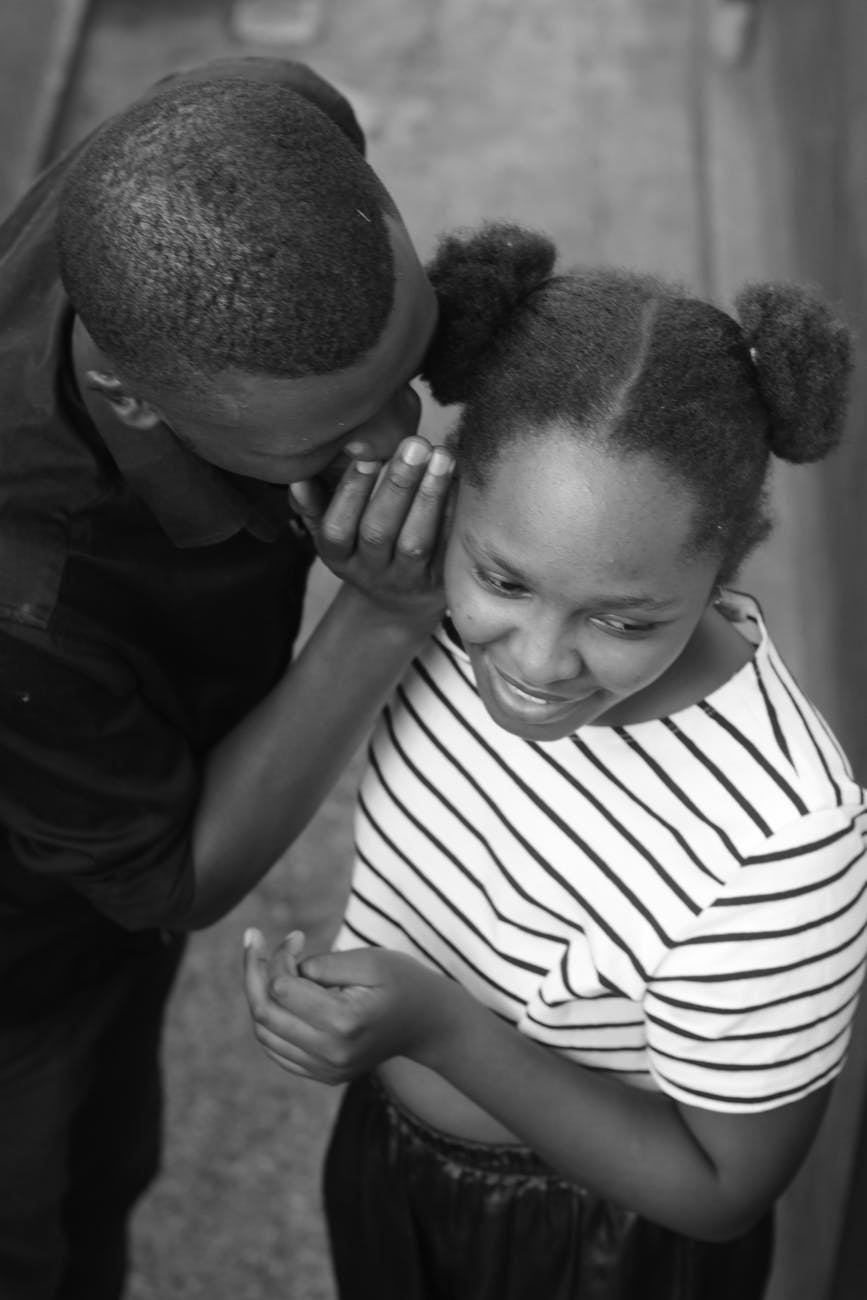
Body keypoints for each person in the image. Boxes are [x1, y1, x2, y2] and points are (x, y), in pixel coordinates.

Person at [244, 223, 867, 1300]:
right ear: (454, 504)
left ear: (723, 562)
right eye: (506, 580)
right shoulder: (428, 609)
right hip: (386, 1149)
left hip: (593, 1247)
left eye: (623, 620)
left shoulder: (781, 837)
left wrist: (438, 1027)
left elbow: (723, 1190)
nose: (534, 662)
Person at [0, 57, 455, 1300]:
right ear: (133, 401)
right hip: (27, 957)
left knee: (113, 1166)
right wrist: (381, 614)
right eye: (331, 438)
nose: (405, 442)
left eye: (408, 371)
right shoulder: (30, 600)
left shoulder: (263, 116)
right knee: (35, 1226)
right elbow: (176, 876)